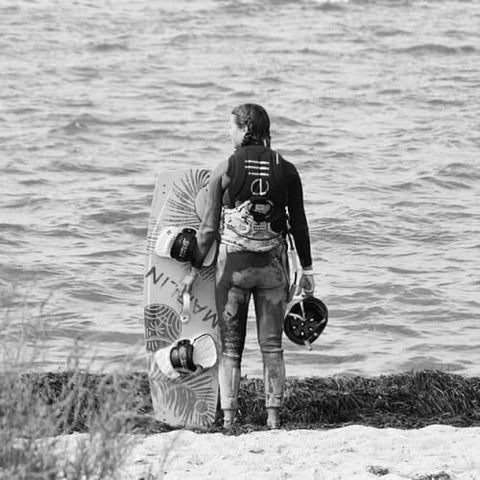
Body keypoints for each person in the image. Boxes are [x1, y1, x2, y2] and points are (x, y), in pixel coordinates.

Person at [180, 103, 315, 429]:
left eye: (231, 127)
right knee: (272, 346)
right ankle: (272, 418)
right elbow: (298, 223)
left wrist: (193, 269)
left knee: (230, 349)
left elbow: (209, 230)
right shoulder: (287, 169)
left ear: (244, 129)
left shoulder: (225, 168)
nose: (229, 133)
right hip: (272, 269)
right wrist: (308, 271)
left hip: (233, 270)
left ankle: (228, 419)